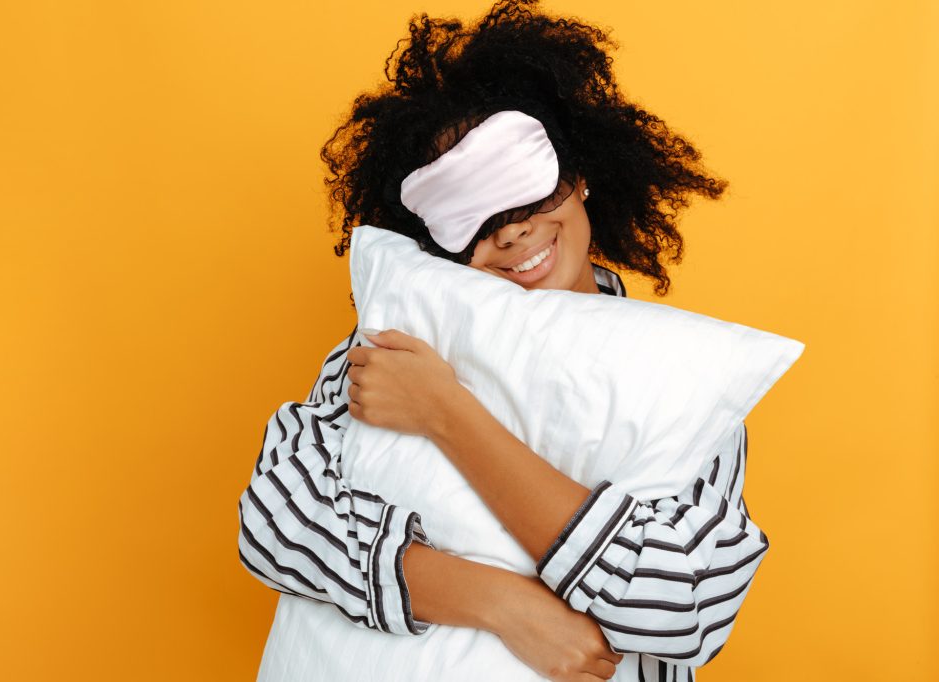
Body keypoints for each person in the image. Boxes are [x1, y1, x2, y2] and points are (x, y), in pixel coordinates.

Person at [237, 1, 767, 680]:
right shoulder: (396, 342)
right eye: (475, 220)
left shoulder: (678, 375)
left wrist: (446, 412)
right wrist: (503, 604)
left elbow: (685, 605)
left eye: (527, 199)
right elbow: (276, 521)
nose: (511, 233)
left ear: (578, 177)